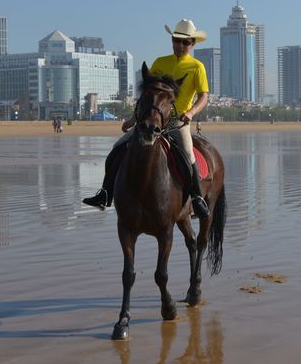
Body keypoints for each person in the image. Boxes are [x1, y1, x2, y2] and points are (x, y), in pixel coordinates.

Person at [83, 19, 211, 219]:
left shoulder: (197, 67)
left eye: (185, 42)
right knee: (118, 147)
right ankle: (105, 193)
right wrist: (133, 120)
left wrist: (191, 113)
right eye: (176, 40)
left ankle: (197, 199)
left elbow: (204, 96)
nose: (180, 45)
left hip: (178, 121)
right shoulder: (160, 62)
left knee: (188, 153)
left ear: (193, 44)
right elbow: (147, 96)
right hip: (152, 119)